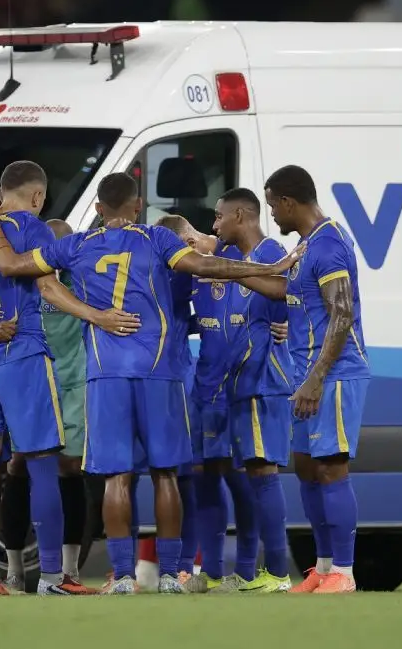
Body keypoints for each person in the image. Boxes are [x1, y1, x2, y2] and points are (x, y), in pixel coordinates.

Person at [0, 171, 303, 594]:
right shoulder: (157, 239)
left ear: (97, 209)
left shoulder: (76, 244)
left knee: (116, 478)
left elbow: (14, 268)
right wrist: (268, 267)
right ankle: (170, 574)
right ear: (137, 206)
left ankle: (123, 576)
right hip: (159, 372)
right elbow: (205, 264)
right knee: (166, 474)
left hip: (106, 372)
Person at [0, 161, 140, 596]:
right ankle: (54, 577)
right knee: (42, 465)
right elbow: (49, 289)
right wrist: (98, 316)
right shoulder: (33, 229)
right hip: (23, 358)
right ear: (37, 197)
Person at [238, 165, 371, 594]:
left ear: (288, 202)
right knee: (309, 468)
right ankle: (324, 568)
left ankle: (345, 574)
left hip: (333, 373)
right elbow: (288, 292)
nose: (272, 215)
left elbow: (342, 312)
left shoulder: (329, 243)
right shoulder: (306, 246)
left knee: (331, 467)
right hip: (306, 374)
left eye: (273, 205)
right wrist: (234, 272)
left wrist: (315, 379)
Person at [153, 213, 260, 593]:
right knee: (202, 476)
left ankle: (251, 571)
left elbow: (276, 300)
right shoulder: (182, 274)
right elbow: (189, 317)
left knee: (242, 477)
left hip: (241, 387)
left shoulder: (240, 257)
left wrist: (280, 326)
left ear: (189, 240)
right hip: (203, 389)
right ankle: (209, 573)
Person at [0, 218, 100, 594]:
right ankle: (12, 570)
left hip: (73, 386)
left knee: (70, 470)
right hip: (30, 384)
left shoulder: (84, 281)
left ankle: (69, 568)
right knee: (18, 468)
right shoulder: (21, 283)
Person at [211, 187, 295, 592]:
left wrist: (289, 327)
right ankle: (261, 572)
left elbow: (295, 300)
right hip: (241, 382)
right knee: (254, 473)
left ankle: (278, 573)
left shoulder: (271, 255)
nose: (215, 225)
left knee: (263, 472)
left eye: (219, 216)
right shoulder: (228, 257)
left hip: (265, 380)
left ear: (240, 215)